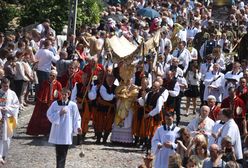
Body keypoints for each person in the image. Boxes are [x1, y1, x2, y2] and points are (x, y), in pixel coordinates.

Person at [47, 88, 81, 168]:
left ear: (68, 95)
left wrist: (78, 127)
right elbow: (49, 114)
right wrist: (59, 113)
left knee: (64, 152)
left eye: (65, 94)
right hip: (57, 132)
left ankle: (60, 166)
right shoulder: (55, 104)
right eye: (62, 94)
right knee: (59, 152)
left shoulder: (73, 105)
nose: (63, 96)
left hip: (66, 132)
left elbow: (77, 118)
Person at [26, 70, 62, 136]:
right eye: (51, 75)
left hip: (53, 104)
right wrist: (42, 100)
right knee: (43, 119)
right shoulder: (45, 83)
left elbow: (60, 94)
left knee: (52, 118)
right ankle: (43, 132)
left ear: (56, 76)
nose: (52, 77)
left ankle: (51, 132)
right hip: (45, 104)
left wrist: (58, 94)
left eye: (53, 75)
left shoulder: (58, 84)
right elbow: (41, 92)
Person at [0, 78, 19, 164]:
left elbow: (16, 105)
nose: (6, 88)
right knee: (0, 138)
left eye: (7, 86)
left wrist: (7, 108)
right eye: (4, 86)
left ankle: (4, 154)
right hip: (0, 118)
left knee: (8, 137)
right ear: (1, 85)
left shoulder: (12, 94)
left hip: (10, 118)